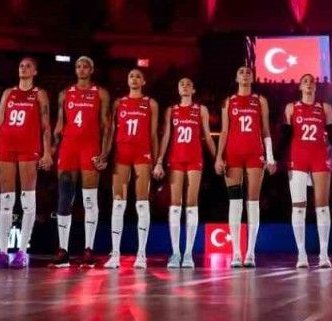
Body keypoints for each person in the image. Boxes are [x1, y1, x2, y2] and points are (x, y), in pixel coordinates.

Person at [0, 57, 53, 269]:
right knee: (6, 199)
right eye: (21, 65)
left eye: (28, 66)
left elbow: (46, 125)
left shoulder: (39, 93)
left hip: (29, 148)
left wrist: (47, 152)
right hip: (6, 146)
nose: (23, 68)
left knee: (27, 199)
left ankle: (22, 252)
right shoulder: (8, 93)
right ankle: (3, 252)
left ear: (35, 72)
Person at [283, 73, 332, 269]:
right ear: (300, 87)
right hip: (298, 158)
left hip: (319, 157)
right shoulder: (291, 107)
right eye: (305, 81)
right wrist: (275, 157)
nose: (309, 83)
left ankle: (323, 254)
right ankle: (301, 254)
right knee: (298, 207)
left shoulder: (325, 108)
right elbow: (286, 136)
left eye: (312, 81)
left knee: (322, 206)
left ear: (315, 86)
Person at [52, 56, 112, 267]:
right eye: (78, 66)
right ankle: (63, 251)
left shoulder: (100, 93)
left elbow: (107, 126)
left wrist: (104, 153)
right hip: (68, 146)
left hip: (90, 147)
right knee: (64, 198)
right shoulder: (65, 93)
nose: (82, 69)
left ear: (92, 70)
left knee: (89, 199)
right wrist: (51, 150)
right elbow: (59, 125)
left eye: (86, 66)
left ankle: (88, 249)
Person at [214, 66, 277, 268]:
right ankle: (236, 253)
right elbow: (224, 131)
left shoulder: (260, 100)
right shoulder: (229, 101)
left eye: (248, 72)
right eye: (241, 72)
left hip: (255, 155)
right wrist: (218, 157)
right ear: (236, 77)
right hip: (233, 154)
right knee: (235, 203)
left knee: (253, 203)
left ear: (252, 78)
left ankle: (250, 253)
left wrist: (270, 157)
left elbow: (265, 130)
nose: (245, 74)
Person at [154, 77, 217, 268]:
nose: (185, 86)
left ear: (194, 90)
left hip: (194, 159)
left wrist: (218, 158)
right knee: (175, 204)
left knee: (191, 203)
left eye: (189, 84)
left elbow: (207, 136)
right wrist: (159, 161)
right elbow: (166, 136)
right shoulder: (171, 110)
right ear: (178, 89)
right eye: (181, 84)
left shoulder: (200, 110)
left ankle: (188, 253)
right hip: (175, 159)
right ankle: (175, 253)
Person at [106, 68, 159, 269]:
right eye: (131, 76)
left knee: (142, 203)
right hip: (122, 154)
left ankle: (141, 254)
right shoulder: (118, 103)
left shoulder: (150, 103)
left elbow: (153, 134)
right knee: (118, 203)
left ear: (144, 81)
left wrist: (156, 161)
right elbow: (111, 132)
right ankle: (115, 254)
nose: (134, 79)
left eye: (138, 76)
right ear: (127, 81)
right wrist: (105, 154)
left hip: (142, 155)